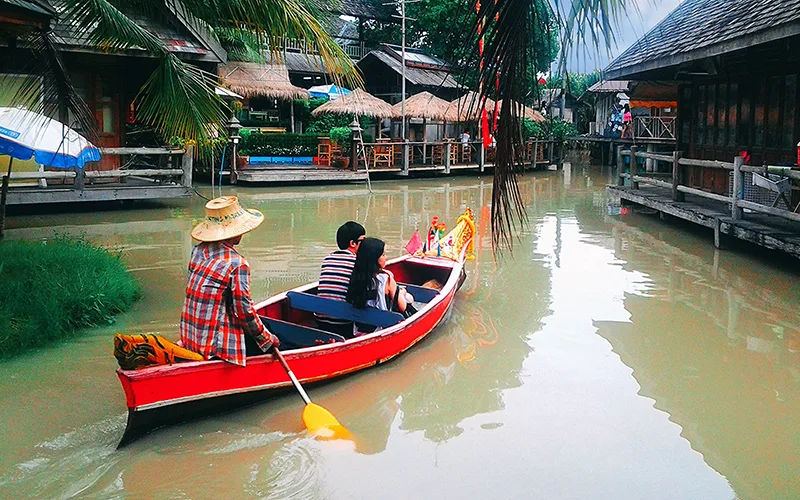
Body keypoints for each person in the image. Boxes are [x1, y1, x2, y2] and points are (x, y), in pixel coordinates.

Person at [180, 196, 279, 367]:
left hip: (190, 337)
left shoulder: (197, 251)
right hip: (216, 347)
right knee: (275, 338)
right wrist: (268, 339)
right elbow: (244, 312)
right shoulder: (237, 263)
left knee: (264, 326)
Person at [346, 238, 414, 337]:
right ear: (374, 259)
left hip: (358, 330)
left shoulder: (356, 277)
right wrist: (402, 293)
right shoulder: (386, 278)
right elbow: (402, 307)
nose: (386, 258)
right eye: (383, 255)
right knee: (408, 297)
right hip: (381, 328)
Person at [316, 221, 366, 338]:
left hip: (320, 321)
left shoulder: (328, 259)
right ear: (353, 243)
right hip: (343, 323)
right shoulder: (357, 262)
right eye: (362, 241)